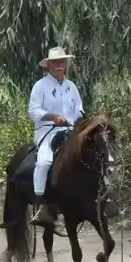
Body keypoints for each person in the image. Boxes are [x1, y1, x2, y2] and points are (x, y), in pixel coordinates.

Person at [28, 47, 84, 226]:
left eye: (62, 62)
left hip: (70, 130)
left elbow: (79, 109)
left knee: (93, 155)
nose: (59, 65)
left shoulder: (71, 86)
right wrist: (52, 116)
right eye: (55, 62)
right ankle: (39, 207)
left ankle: (99, 200)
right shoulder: (40, 85)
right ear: (49, 65)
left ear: (66, 64)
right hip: (47, 130)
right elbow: (33, 111)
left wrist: (81, 119)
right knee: (43, 163)